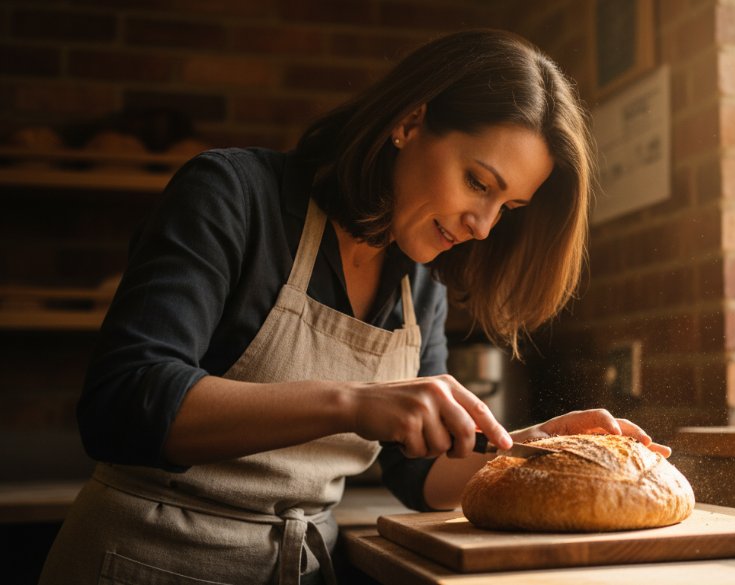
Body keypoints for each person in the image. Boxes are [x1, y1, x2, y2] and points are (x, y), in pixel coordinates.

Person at [40, 29, 671, 585]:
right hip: (144, 562)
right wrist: (353, 402)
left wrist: (525, 449)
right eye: (479, 183)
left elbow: (419, 478)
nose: (483, 226)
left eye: (507, 208)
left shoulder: (416, 282)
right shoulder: (233, 197)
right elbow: (123, 403)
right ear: (409, 121)